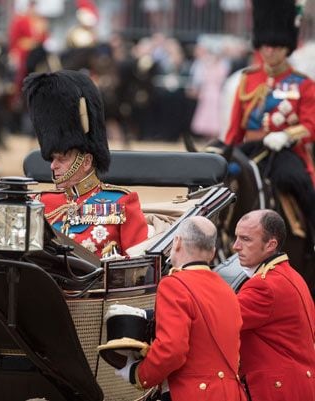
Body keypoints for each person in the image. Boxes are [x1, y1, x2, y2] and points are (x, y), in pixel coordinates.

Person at [112, 216, 247, 401]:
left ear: (177, 242)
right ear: (213, 252)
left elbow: (171, 351)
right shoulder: (227, 290)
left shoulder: (174, 284)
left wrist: (138, 373)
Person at [23, 69, 148, 258]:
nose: (52, 166)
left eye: (62, 158)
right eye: (52, 158)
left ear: (86, 161)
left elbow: (137, 262)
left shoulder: (121, 203)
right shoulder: (40, 202)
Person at [223, 0, 315, 235]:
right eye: (265, 45)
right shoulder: (248, 79)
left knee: (296, 181)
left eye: (275, 45)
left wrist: (286, 135)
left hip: (284, 152)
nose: (269, 51)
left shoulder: (303, 84)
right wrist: (227, 151)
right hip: (250, 149)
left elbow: (310, 125)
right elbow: (235, 129)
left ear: (287, 47)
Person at [232, 209, 315, 400]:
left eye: (245, 239)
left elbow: (219, 319)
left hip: (275, 390)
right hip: (297, 385)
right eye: (236, 237)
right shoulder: (292, 275)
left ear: (271, 245)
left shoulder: (264, 285)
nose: (235, 246)